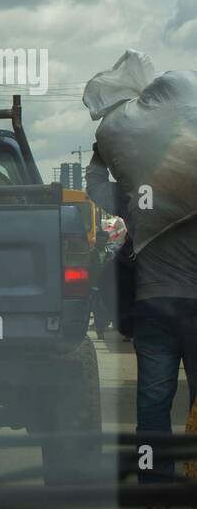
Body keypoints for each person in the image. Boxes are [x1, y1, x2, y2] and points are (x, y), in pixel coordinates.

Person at [88, 142, 196, 484]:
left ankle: (154, 487)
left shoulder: (139, 195)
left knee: (153, 403)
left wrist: (101, 151)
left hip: (153, 309)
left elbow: (94, 186)